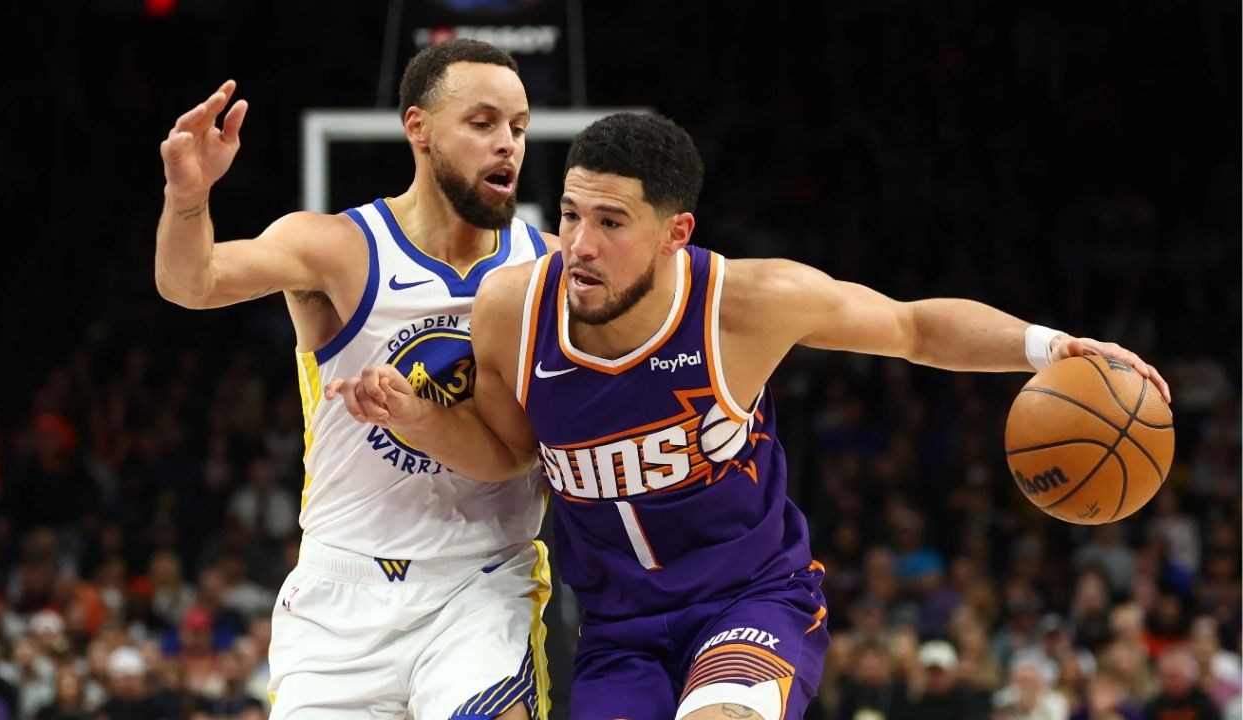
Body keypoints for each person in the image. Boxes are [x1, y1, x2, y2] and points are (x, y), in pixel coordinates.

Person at [327, 112, 1171, 719]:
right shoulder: (513, 308)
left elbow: (913, 327)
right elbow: (508, 454)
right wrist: (418, 421)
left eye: (611, 222)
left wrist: (1050, 345)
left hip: (752, 598)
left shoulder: (745, 304)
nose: (579, 244)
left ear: (674, 232)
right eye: (573, 214)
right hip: (617, 630)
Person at [154, 39, 556, 719]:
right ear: (418, 127)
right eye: (483, 123)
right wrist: (188, 198)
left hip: (480, 581)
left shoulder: (542, 268)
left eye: (517, 127)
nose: (507, 145)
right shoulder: (337, 247)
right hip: (342, 592)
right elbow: (191, 284)